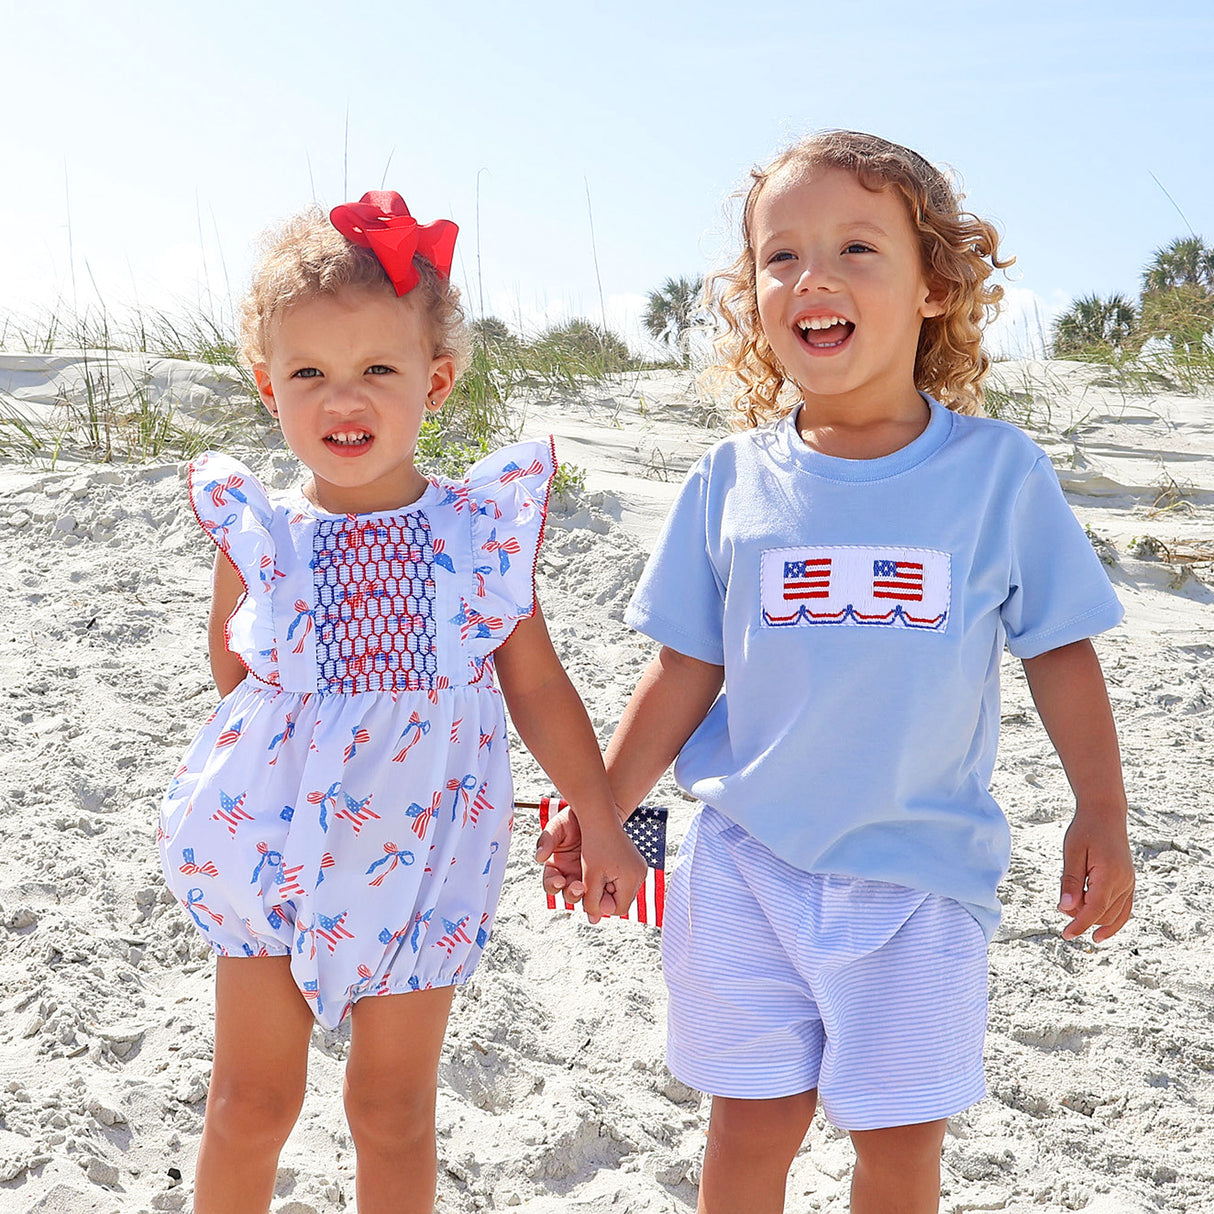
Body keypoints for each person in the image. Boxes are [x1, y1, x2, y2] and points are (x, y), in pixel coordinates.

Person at [537, 131, 1135, 1214]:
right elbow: (682, 670)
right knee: (745, 1129)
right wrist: (604, 806)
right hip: (741, 866)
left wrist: (1099, 807)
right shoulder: (728, 481)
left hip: (919, 876)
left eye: (856, 247)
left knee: (898, 1143)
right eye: (779, 256)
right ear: (752, 298)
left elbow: (1058, 649)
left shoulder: (995, 475)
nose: (810, 277)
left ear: (933, 288)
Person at [158, 190, 645, 1214]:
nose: (344, 400)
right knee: (248, 1099)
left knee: (391, 1106)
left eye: (377, 369)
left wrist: (598, 815)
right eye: (308, 373)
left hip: (420, 855)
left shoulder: (478, 535)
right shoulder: (257, 531)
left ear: (437, 380)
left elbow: (537, 687)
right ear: (266, 385)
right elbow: (237, 678)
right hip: (274, 847)